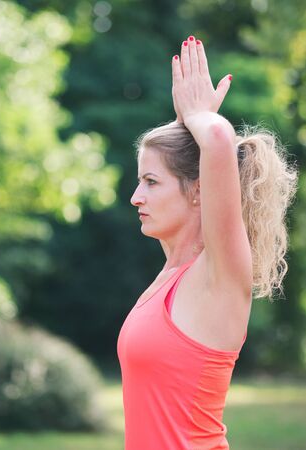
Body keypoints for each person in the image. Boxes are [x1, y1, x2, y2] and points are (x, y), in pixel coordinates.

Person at [117, 35, 298, 450]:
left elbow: (217, 139)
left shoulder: (220, 275)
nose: (135, 197)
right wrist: (188, 127)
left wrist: (199, 116)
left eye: (151, 182)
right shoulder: (168, 278)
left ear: (198, 192)